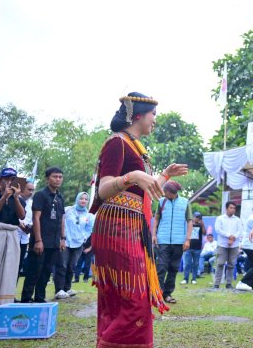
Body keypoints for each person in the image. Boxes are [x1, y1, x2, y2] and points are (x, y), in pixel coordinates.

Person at [89, 92, 188, 348]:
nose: (155, 120)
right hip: (118, 227)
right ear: (139, 115)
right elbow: (104, 189)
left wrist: (164, 175)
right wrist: (132, 175)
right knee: (131, 297)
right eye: (153, 115)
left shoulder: (137, 148)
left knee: (132, 296)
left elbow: (147, 190)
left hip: (134, 227)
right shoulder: (117, 143)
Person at [21, 167, 65, 303]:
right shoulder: (41, 195)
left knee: (46, 272)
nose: (58, 179)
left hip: (55, 241)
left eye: (60, 177)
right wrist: (38, 240)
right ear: (47, 179)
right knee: (34, 271)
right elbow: (36, 218)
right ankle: (26, 299)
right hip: (40, 240)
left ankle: (40, 298)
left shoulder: (60, 196)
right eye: (54, 177)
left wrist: (63, 238)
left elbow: (62, 218)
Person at [0, 168, 25, 311]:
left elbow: (22, 216)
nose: (9, 182)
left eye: (13, 179)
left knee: (8, 269)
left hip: (11, 235)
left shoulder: (19, 199)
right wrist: (4, 197)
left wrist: (15, 198)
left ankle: (2, 303)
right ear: (0, 181)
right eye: (7, 179)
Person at [152, 180, 192, 304]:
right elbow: (157, 218)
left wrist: (187, 240)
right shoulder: (161, 202)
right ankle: (157, 294)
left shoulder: (185, 203)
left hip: (179, 242)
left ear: (173, 193)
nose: (164, 194)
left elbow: (190, 221)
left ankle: (167, 294)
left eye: (166, 192)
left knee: (173, 268)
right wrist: (154, 234)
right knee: (161, 267)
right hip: (162, 240)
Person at [54, 192, 93, 299]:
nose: (83, 201)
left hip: (78, 244)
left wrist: (84, 237)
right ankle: (59, 289)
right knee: (62, 265)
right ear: (77, 199)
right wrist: (62, 238)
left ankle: (67, 288)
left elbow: (89, 229)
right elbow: (61, 222)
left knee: (72, 266)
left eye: (86, 199)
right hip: (65, 241)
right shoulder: (68, 210)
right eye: (81, 198)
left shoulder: (89, 215)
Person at [213, 202, 242, 289]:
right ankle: (216, 284)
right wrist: (229, 235)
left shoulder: (237, 219)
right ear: (226, 208)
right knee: (220, 263)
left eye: (234, 208)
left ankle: (229, 283)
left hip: (234, 245)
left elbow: (240, 231)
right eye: (231, 208)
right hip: (222, 244)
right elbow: (218, 230)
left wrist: (233, 237)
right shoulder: (220, 218)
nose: (232, 209)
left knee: (231, 264)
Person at [181, 211, 205, 285]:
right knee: (187, 264)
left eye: (199, 217)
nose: (197, 219)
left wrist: (203, 225)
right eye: (196, 217)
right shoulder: (189, 225)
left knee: (196, 264)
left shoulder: (201, 226)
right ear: (193, 217)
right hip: (188, 247)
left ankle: (194, 279)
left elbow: (205, 233)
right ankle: (185, 279)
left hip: (197, 248)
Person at [17, 182, 35, 280]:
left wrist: (30, 227)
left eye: (32, 190)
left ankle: (11, 292)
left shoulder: (33, 204)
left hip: (24, 238)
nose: (31, 192)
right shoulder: (13, 199)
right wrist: (19, 224)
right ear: (22, 189)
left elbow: (34, 220)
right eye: (29, 189)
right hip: (12, 236)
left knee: (19, 265)